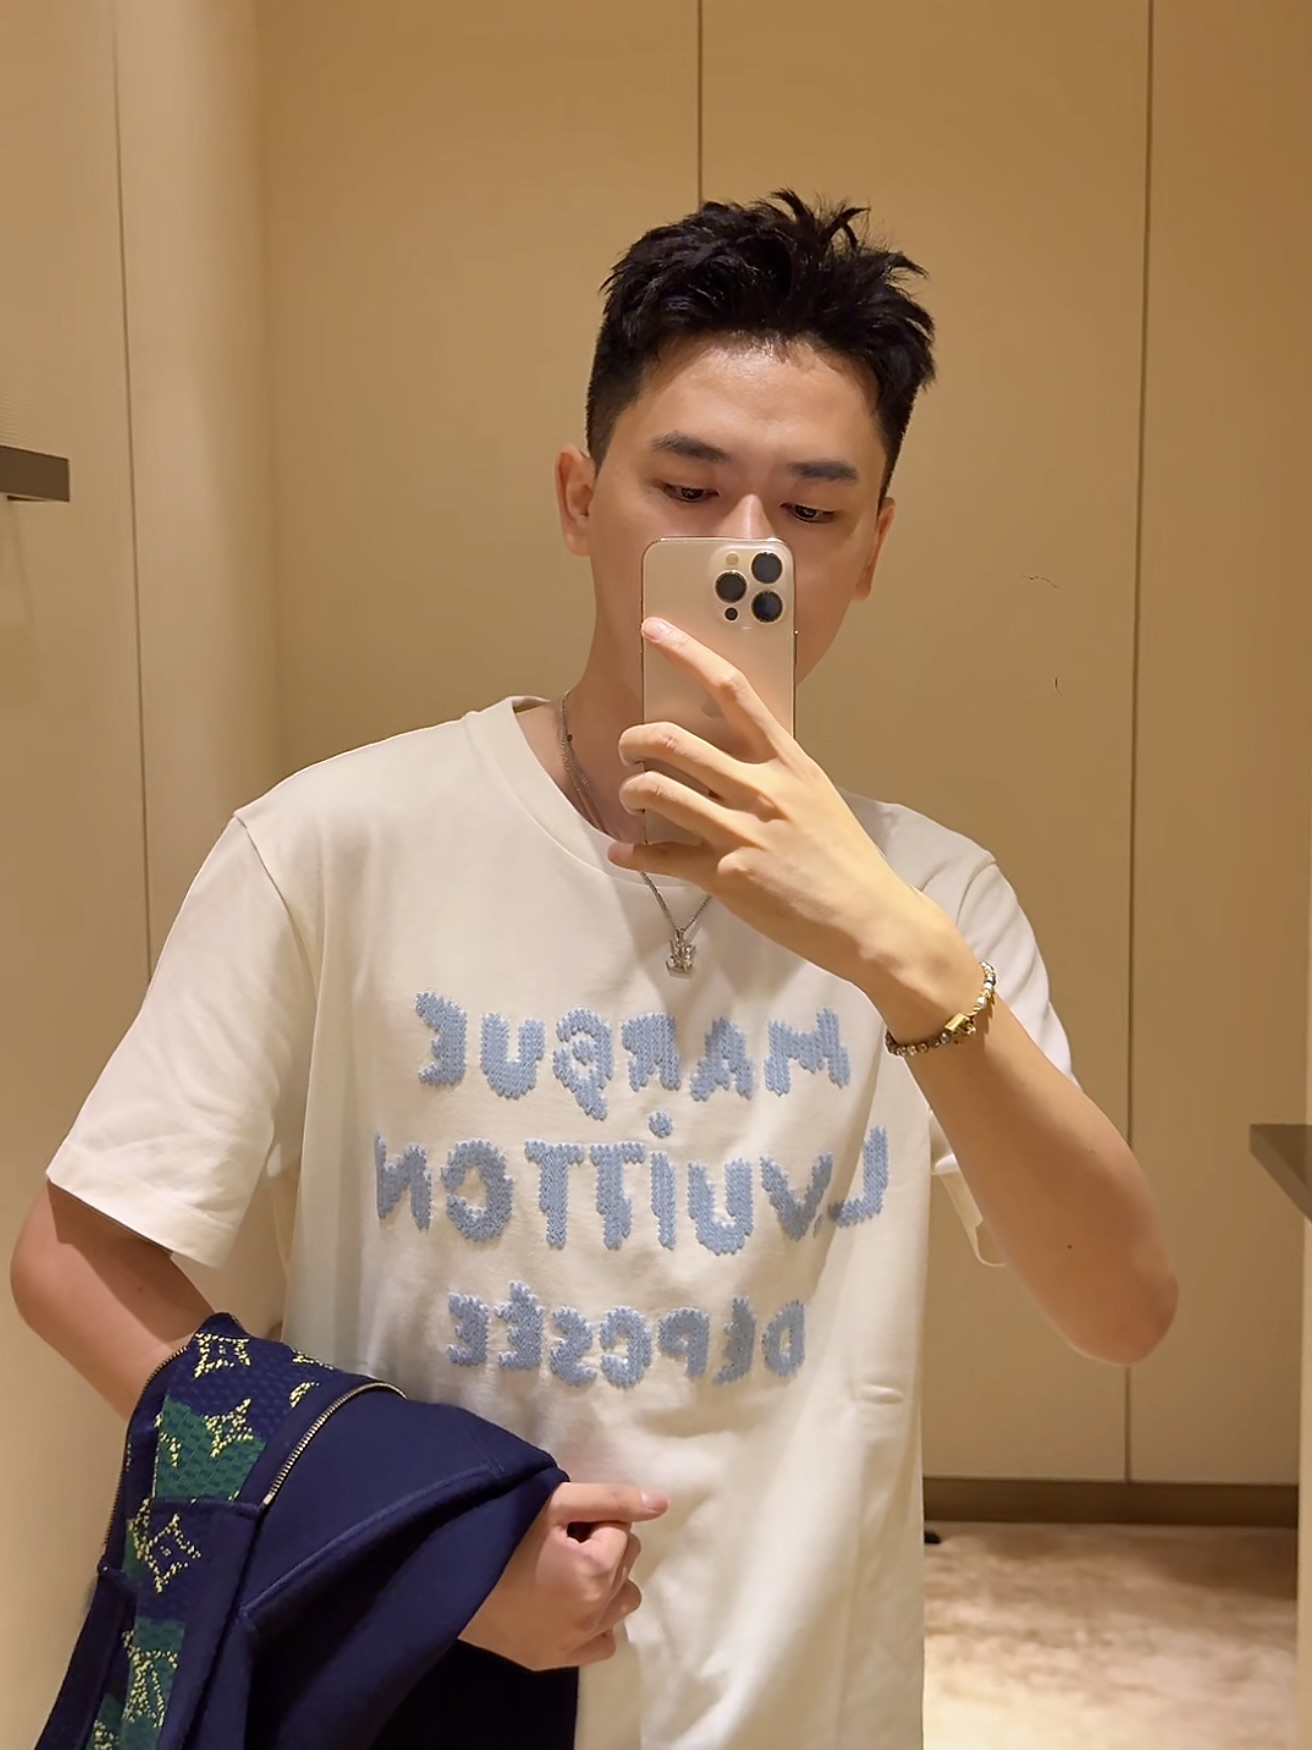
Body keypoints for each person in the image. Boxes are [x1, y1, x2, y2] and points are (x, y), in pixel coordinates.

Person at [11, 190, 1177, 1748]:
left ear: (875, 550)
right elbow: (75, 1255)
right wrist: (426, 1550)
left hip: (804, 1709)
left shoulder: (934, 902)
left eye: (813, 511)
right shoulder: (338, 844)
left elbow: (1122, 1308)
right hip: (422, 1691)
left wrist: (891, 950)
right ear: (580, 497)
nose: (744, 549)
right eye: (687, 487)